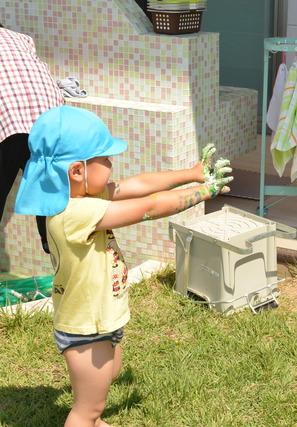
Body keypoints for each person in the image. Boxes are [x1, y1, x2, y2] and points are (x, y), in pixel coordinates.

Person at [13, 105, 233, 427]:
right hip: (87, 328)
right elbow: (147, 207)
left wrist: (192, 173)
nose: (111, 164)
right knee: (87, 409)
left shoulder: (79, 196)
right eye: (104, 159)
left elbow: (140, 185)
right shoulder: (74, 214)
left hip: (98, 318)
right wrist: (202, 193)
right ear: (77, 171)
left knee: (110, 373)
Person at [0, 23, 64, 253]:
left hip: (9, 120)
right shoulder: (21, 39)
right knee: (48, 199)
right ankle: (55, 254)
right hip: (49, 119)